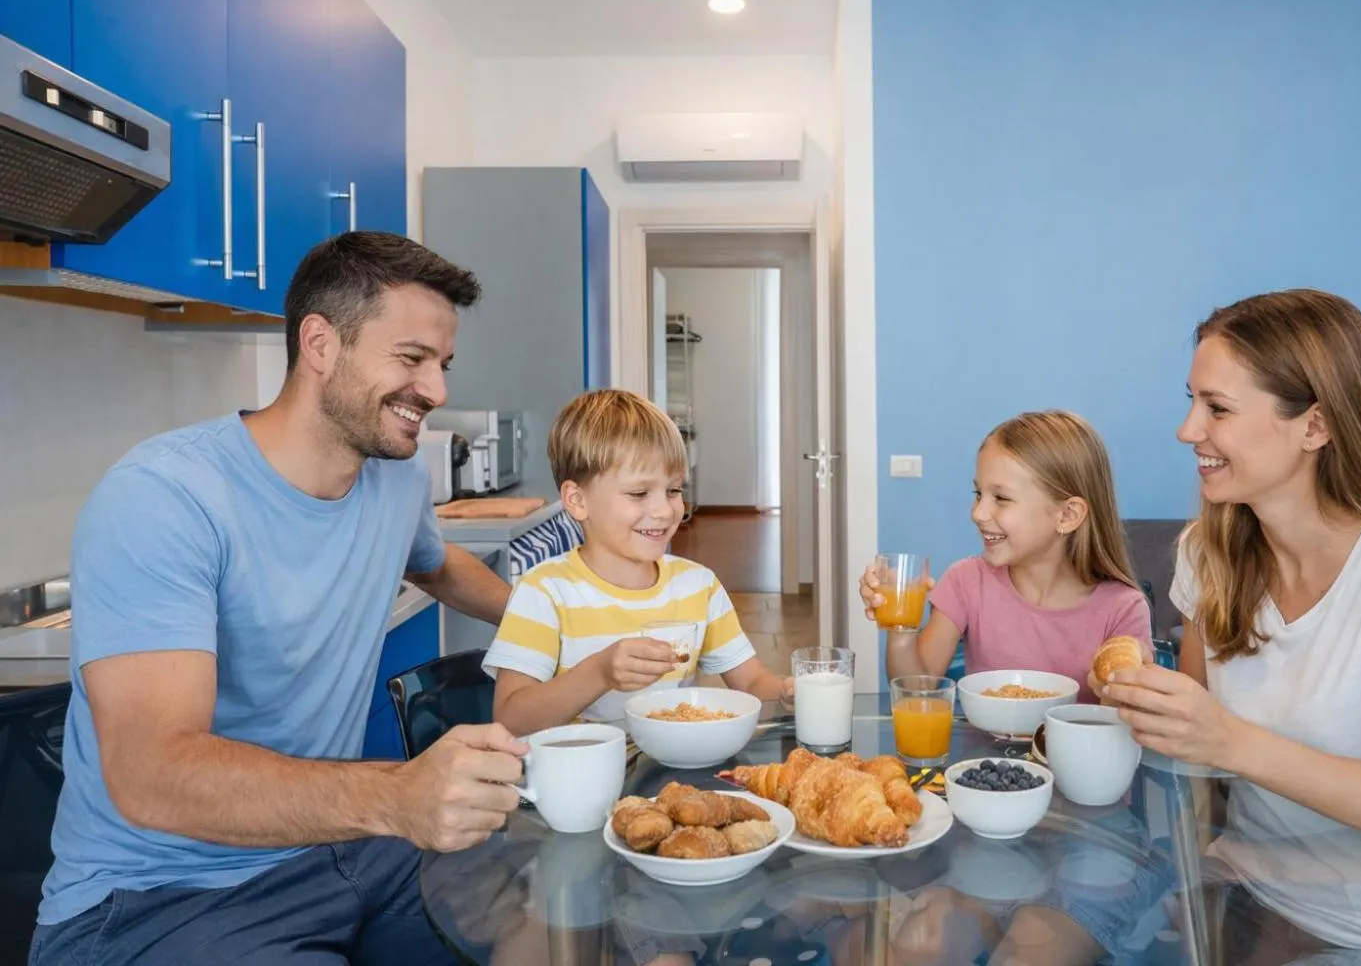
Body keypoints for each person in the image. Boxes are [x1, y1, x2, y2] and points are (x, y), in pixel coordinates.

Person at [31, 232, 528, 966]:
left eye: (443, 365)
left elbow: (437, 563)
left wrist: (561, 628)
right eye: (411, 359)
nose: (437, 391)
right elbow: (152, 775)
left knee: (550, 918)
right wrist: (395, 797)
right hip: (158, 897)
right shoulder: (165, 497)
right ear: (321, 343)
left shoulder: (395, 480)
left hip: (337, 847)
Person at [1099, 288, 1361, 964]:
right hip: (1259, 903)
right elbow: (1195, 759)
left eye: (1217, 408)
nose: (1188, 430)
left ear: (1316, 427)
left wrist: (1229, 740)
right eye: (1191, 401)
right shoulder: (1205, 556)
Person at [488, 388, 793, 735]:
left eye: (674, 490)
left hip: (667, 773)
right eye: (638, 493)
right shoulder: (544, 593)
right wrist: (600, 672)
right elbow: (510, 719)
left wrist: (787, 695)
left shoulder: (698, 586)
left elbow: (752, 683)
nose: (665, 510)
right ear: (577, 500)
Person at [861, 410, 1151, 698]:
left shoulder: (1123, 609)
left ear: (1067, 515)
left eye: (1001, 498)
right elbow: (915, 688)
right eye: (978, 494)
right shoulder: (967, 581)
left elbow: (1128, 719)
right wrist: (899, 625)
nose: (978, 512)